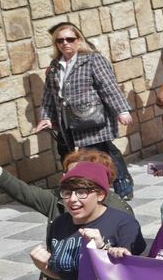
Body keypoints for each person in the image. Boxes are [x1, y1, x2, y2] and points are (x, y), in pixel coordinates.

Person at [35, 21, 136, 200]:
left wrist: (121, 110)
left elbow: (108, 86)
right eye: (60, 41)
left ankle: (119, 185)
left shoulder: (92, 60)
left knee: (99, 152)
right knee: (80, 153)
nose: (65, 43)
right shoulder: (54, 66)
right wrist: (46, 117)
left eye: (70, 39)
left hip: (90, 118)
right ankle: (79, 188)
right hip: (66, 122)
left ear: (79, 40)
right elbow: (49, 96)